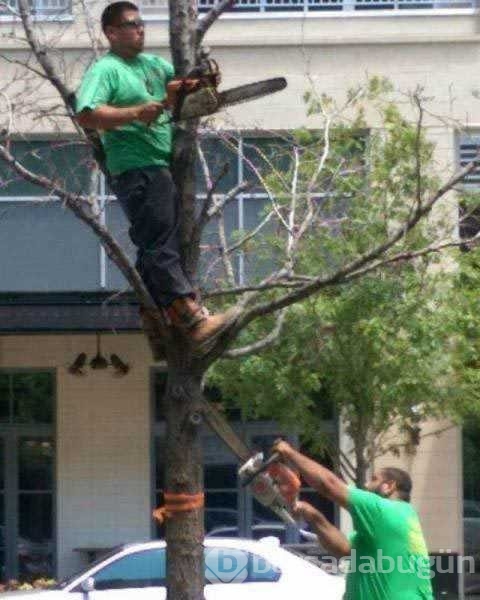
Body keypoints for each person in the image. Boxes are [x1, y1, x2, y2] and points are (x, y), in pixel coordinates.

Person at [75, 1, 231, 344]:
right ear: (112, 32)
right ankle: (189, 317)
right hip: (136, 165)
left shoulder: (152, 65)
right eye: (131, 24)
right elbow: (86, 114)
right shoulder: (107, 70)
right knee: (160, 240)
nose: (140, 29)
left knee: (153, 241)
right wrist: (134, 114)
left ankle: (156, 322)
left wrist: (196, 84)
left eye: (141, 23)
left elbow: (177, 88)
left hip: (159, 164)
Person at [272, 440, 434, 600]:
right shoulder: (399, 518)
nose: (366, 484)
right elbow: (344, 549)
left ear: (389, 486)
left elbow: (329, 485)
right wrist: (311, 514)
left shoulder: (384, 510)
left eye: (374, 479)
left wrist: (289, 452)